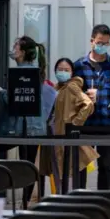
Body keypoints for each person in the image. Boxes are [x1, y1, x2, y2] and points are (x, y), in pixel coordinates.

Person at [0, 36, 56, 203]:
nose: (13, 49)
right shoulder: (36, 71)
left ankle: (1, 192)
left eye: (16, 46)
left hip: (21, 127)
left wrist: (0, 93)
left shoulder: (23, 72)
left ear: (22, 52)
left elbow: (14, 100)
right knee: (28, 164)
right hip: (35, 128)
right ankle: (25, 203)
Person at [73, 24, 110, 190]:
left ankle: (103, 199)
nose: (102, 46)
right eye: (100, 42)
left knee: (106, 165)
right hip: (85, 123)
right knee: (81, 165)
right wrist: (85, 96)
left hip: (108, 122)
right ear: (92, 41)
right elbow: (71, 94)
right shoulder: (78, 66)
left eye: (106, 43)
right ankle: (79, 199)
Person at [39, 58, 99, 189]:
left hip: (64, 133)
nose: (62, 72)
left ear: (72, 72)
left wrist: (75, 123)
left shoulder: (71, 86)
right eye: (60, 69)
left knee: (67, 169)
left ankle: (68, 200)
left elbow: (88, 104)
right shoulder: (56, 88)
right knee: (58, 169)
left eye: (66, 70)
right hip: (54, 133)